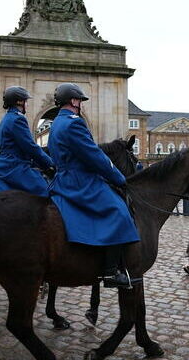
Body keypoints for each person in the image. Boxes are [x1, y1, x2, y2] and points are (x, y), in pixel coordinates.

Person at [48, 83, 139, 288]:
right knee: (118, 211)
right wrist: (118, 178)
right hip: (80, 181)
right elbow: (95, 156)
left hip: (62, 180)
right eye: (79, 100)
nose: (81, 104)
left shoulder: (56, 123)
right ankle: (110, 272)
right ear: (73, 101)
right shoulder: (74, 124)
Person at [0, 86, 55, 195]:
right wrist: (50, 163)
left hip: (4, 164)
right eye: (26, 101)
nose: (27, 104)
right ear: (19, 102)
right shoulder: (18, 119)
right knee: (46, 192)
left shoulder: (6, 118)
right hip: (15, 166)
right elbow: (30, 147)